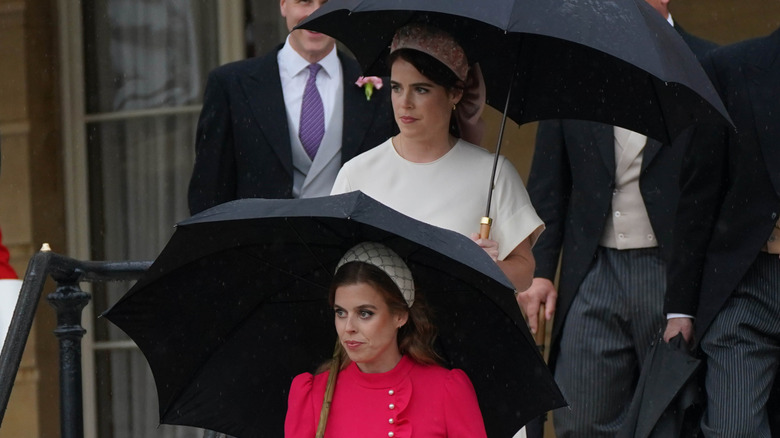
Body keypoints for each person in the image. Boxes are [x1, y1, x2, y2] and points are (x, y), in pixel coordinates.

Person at [521, 2, 717, 435]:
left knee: (668, 421)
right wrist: (539, 272)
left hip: (673, 274)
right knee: (578, 415)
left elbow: (717, 192)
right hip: (593, 269)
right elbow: (550, 185)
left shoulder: (708, 65)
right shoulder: (573, 65)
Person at [331, 23, 543, 293]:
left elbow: (524, 273)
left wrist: (486, 266)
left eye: (421, 89)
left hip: (461, 327)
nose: (404, 102)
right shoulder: (357, 173)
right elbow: (335, 267)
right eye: (396, 87)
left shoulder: (493, 173)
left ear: (455, 93)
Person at [663, 27, 780, 436]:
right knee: (732, 429)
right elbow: (699, 194)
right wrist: (681, 307)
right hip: (747, 285)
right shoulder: (730, 68)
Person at [187, 0, 395, 215]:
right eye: (304, 1)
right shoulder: (230, 85)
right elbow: (209, 192)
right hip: (261, 244)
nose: (317, 13)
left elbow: (393, 181)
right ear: (283, 5)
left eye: (326, 3)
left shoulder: (384, 89)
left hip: (353, 244)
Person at [284, 242, 487, 437]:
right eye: (340, 312)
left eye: (365, 313)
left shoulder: (445, 391)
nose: (349, 328)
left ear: (400, 315)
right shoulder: (313, 395)